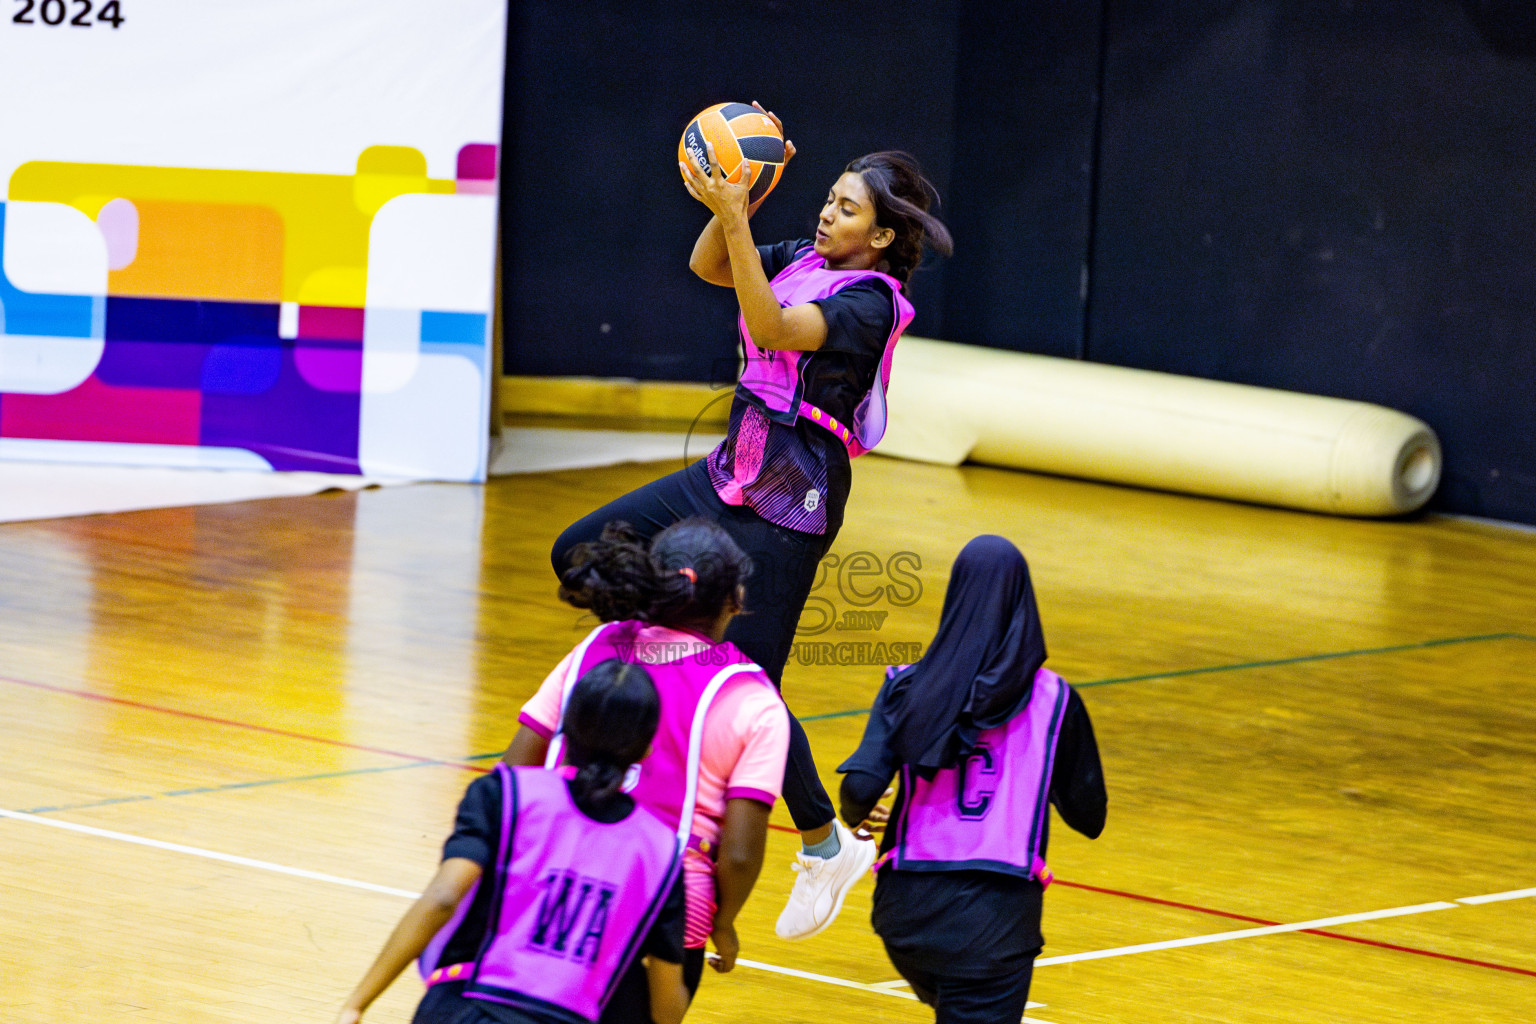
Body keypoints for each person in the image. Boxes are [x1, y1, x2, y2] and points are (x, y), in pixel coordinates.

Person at [550, 103, 954, 940]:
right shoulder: (801, 254)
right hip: (729, 472)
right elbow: (710, 268)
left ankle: (823, 843)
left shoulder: (871, 302)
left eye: (847, 208)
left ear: (881, 239)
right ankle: (670, 651)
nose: (828, 212)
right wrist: (734, 204)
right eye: (830, 196)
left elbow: (771, 326)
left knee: (751, 686)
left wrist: (737, 216)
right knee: (579, 550)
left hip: (791, 503)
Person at [505, 517, 790, 993]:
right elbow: (739, 855)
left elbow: (514, 771)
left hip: (553, 884)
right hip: (664, 908)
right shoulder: (753, 698)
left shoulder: (596, 646)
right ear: (736, 599)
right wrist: (724, 922)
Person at [837, 535, 1107, 1024]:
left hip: (905, 910)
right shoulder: (1055, 700)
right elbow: (1090, 818)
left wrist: (858, 816)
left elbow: (858, 789)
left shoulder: (907, 684)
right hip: (994, 920)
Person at [335, 659, 690, 1024]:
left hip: (468, 1008)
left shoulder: (505, 793)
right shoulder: (662, 851)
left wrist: (358, 1002)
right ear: (647, 748)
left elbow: (443, 897)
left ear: (565, 727)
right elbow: (665, 1001)